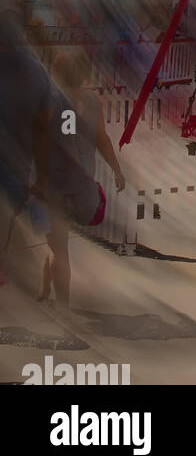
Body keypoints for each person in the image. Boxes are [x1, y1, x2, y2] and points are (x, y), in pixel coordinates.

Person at [38, 51, 125, 308]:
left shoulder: (50, 100)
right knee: (61, 245)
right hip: (82, 186)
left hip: (55, 183)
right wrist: (117, 170)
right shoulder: (92, 101)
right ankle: (54, 292)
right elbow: (102, 139)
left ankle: (61, 304)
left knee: (59, 247)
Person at [0, 13, 52, 289]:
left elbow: (43, 128)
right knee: (17, 214)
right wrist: (42, 177)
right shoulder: (36, 72)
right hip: (21, 164)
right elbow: (43, 128)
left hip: (14, 163)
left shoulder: (30, 73)